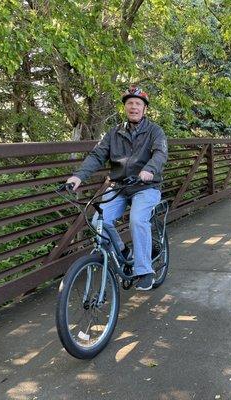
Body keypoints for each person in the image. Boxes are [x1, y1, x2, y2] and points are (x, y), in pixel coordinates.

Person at [66, 85, 168, 290]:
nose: (134, 107)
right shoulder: (113, 134)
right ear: (125, 108)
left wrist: (149, 170)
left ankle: (145, 270)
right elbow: (96, 156)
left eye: (138, 104)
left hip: (146, 187)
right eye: (130, 103)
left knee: (137, 219)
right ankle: (123, 253)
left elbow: (160, 154)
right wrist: (78, 177)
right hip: (119, 186)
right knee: (98, 222)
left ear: (144, 109)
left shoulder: (155, 131)